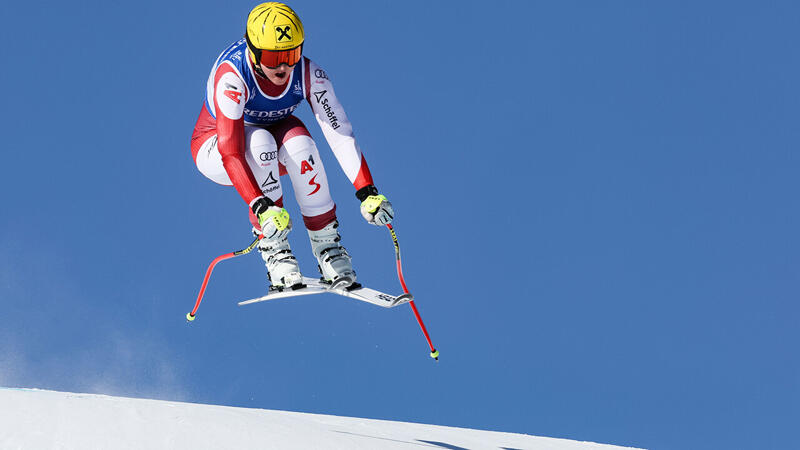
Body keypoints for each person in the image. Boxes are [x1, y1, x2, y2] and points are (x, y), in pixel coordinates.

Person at [190, 2, 394, 290]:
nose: (285, 66)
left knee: (301, 143)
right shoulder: (232, 77)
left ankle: (328, 248)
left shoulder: (310, 74)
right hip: (215, 150)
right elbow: (230, 151)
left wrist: (367, 191)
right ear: (254, 51)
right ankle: (275, 249)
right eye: (274, 58)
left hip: (266, 148)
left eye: (292, 54)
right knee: (260, 142)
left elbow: (339, 133)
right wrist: (259, 205)